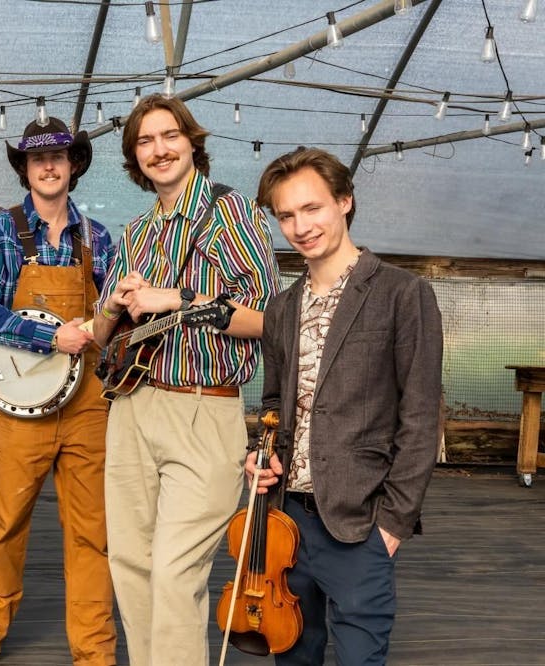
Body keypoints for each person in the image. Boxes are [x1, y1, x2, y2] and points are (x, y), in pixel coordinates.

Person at [92, 94, 281, 665]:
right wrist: (116, 304)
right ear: (134, 157)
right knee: (130, 563)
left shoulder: (232, 213)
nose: (159, 149)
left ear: (191, 142)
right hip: (131, 409)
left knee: (176, 571)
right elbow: (103, 337)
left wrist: (174, 296)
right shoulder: (134, 234)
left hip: (204, 409)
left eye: (168, 135)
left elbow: (270, 317)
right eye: (145, 142)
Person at [249, 146, 443, 665]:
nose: (300, 226)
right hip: (286, 522)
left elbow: (422, 419)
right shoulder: (283, 306)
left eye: (312, 209)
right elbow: (273, 405)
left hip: (361, 525)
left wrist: (392, 526)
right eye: (286, 215)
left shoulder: (404, 294)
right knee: (295, 655)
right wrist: (259, 454)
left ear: (344, 202)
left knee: (360, 659)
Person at [0, 117, 117, 666]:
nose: (49, 165)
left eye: (60, 156)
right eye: (37, 158)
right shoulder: (1, 231)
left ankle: (94, 651)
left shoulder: (99, 239)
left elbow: (112, 324)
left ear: (74, 166)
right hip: (20, 408)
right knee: (5, 524)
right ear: (24, 168)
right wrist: (51, 334)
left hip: (89, 406)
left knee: (94, 533)